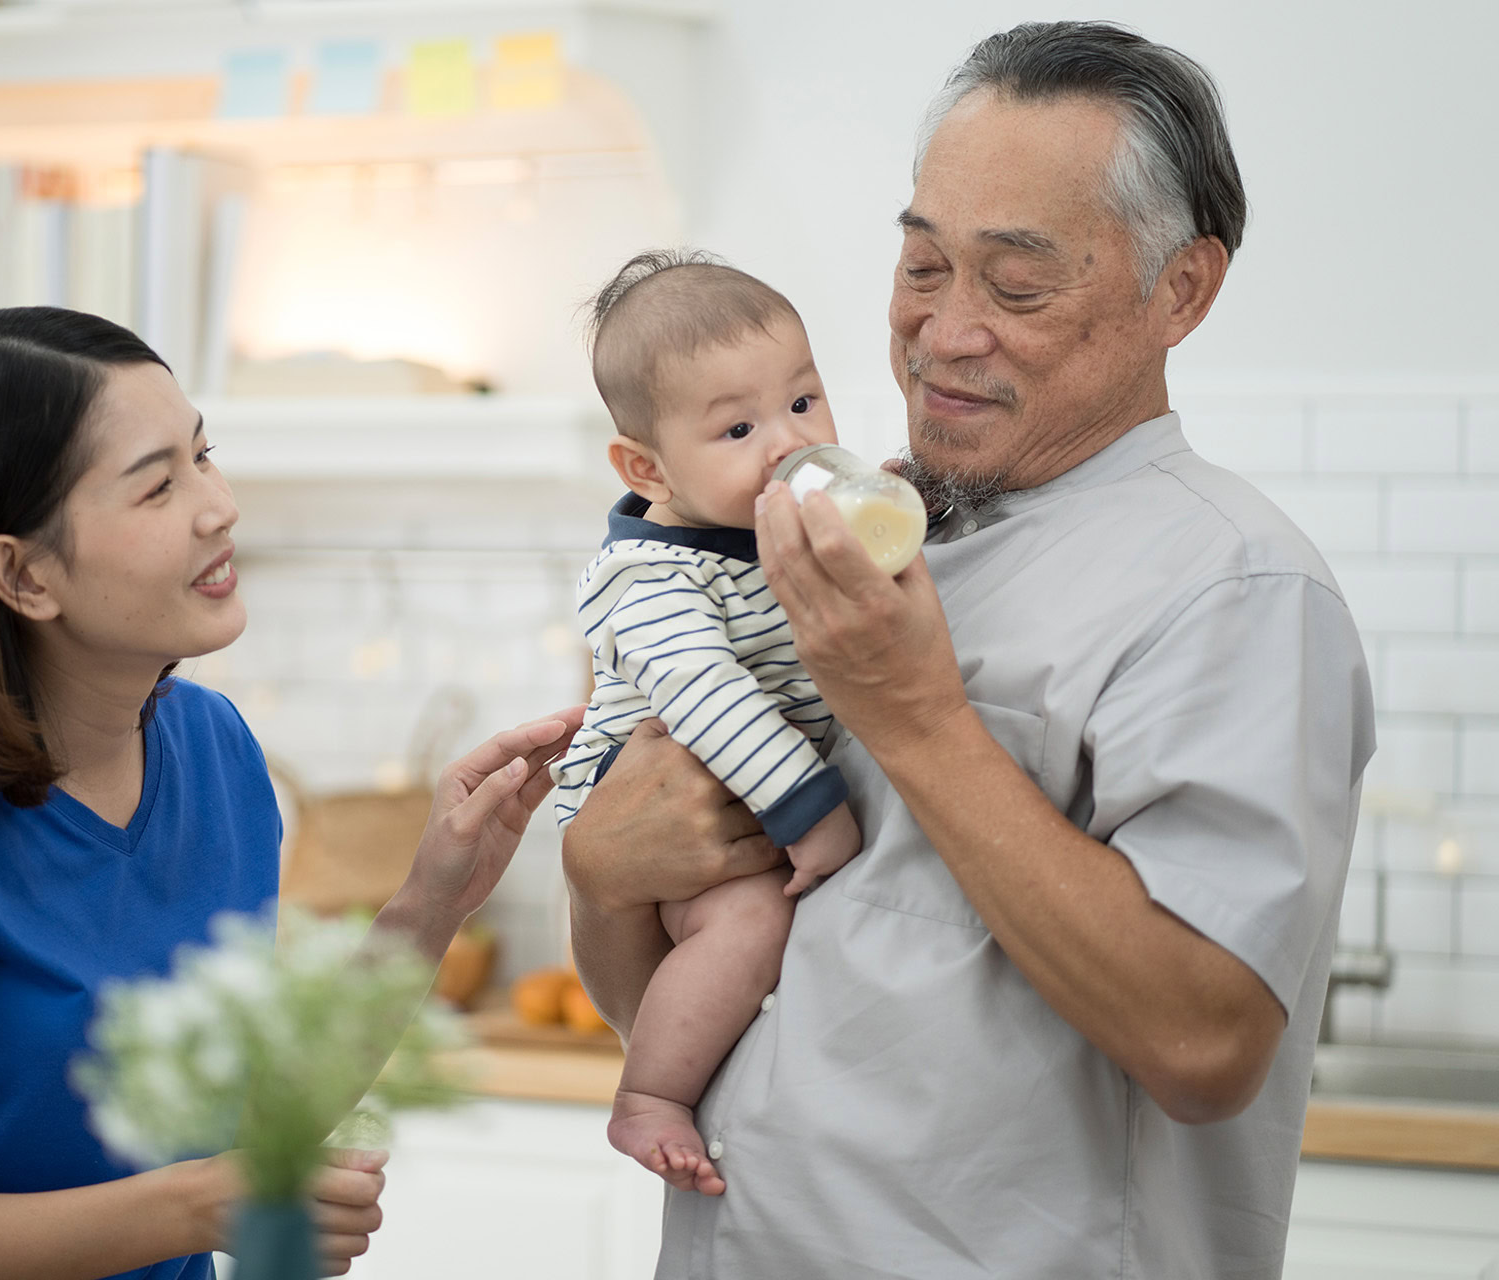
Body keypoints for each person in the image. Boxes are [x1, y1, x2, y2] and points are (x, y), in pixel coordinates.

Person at [562, 21, 1375, 1279]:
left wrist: (917, 717)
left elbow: (1209, 1047)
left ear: (1183, 291)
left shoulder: (1236, 588)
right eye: (923, 264)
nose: (942, 332)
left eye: (1018, 284)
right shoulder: (868, 533)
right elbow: (673, 1006)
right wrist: (600, 871)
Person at [0, 307, 580, 1280]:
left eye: (205, 455)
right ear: (22, 573)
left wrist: (434, 897)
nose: (218, 505)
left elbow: (250, 1111)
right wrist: (193, 1204)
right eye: (158, 485)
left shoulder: (215, 750)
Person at [549, 251, 861, 1194]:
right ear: (647, 468)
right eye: (736, 427)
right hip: (646, 791)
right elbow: (705, 696)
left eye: (802, 404)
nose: (786, 443)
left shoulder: (777, 528)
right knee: (747, 920)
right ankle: (650, 1095)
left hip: (749, 789)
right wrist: (813, 811)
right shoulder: (651, 577)